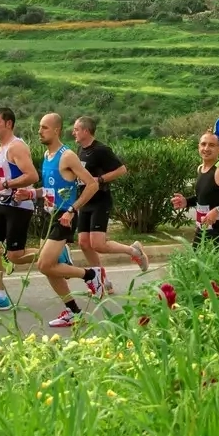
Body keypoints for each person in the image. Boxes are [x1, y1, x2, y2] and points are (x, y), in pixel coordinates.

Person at [34, 113, 105, 328]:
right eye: (40, 127)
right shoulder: (47, 155)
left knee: (44, 264)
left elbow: (92, 184)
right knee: (49, 267)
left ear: (56, 130)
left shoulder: (67, 156)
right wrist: (31, 194)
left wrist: (73, 210)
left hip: (64, 217)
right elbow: (50, 189)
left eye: (44, 127)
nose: (39, 131)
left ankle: (90, 274)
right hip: (49, 215)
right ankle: (74, 312)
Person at [72, 116, 148, 297]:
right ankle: (102, 281)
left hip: (100, 200)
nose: (73, 132)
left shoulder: (101, 150)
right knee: (84, 243)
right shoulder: (80, 150)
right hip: (85, 200)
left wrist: (99, 179)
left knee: (98, 244)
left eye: (76, 129)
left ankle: (134, 251)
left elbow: (122, 170)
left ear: (86, 131)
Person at [0, 108, 40, 312]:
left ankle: (56, 254)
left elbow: (32, 176)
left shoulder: (16, 147)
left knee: (14, 255)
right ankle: (0, 296)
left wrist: (4, 185)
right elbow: (3, 179)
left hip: (19, 206)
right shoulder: (1, 149)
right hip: (2, 204)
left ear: (9, 124)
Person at [172, 132, 219, 249]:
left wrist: (218, 210)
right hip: (202, 229)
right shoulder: (201, 168)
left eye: (211, 145)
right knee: (195, 260)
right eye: (203, 144)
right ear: (198, 147)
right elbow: (205, 196)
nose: (206, 148)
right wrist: (186, 201)